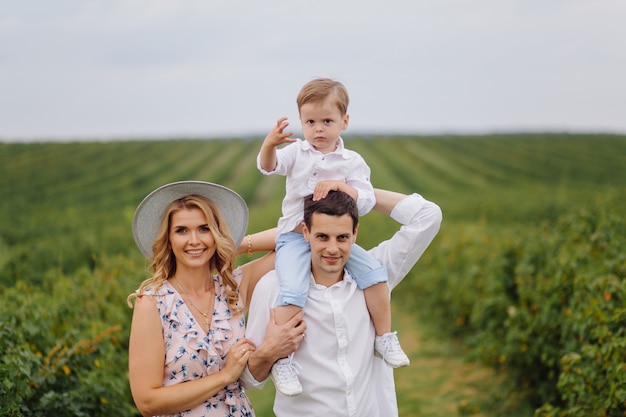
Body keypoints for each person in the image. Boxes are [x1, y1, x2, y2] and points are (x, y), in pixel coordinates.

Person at [256, 77, 409, 395]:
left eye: (327, 121)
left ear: (344, 121)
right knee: (293, 287)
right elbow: (269, 167)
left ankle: (383, 339)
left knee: (374, 275)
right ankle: (283, 360)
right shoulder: (297, 152)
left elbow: (365, 200)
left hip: (335, 239)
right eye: (310, 122)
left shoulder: (352, 162)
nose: (318, 129)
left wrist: (343, 186)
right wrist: (270, 145)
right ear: (301, 123)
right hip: (296, 237)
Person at [241, 189, 442, 417]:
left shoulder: (375, 275)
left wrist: (356, 190)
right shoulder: (272, 288)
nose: (333, 249)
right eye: (323, 237)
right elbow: (249, 380)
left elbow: (428, 216)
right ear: (305, 232)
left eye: (342, 237)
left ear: (355, 233)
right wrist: (269, 352)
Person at [126, 180, 305, 417]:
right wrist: (225, 377)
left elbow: (299, 237)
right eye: (181, 231)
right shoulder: (153, 304)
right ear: (168, 240)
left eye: (204, 228)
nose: (194, 240)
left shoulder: (233, 288)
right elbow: (148, 402)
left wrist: (232, 245)